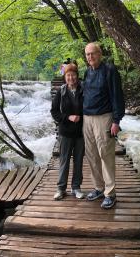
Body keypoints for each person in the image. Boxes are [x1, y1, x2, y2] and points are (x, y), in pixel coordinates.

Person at [83, 42, 125, 209]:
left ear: (100, 54)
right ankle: (99, 188)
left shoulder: (110, 70)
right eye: (87, 54)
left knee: (105, 155)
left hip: (104, 117)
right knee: (92, 155)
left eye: (93, 53)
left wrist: (116, 121)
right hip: (87, 118)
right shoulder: (87, 72)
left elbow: (117, 96)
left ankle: (110, 193)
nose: (90, 57)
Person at [51, 63, 85, 200]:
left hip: (81, 132)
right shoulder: (61, 91)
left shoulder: (83, 90)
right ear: (65, 77)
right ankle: (61, 188)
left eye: (73, 75)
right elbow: (54, 112)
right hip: (65, 133)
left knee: (78, 161)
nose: (71, 77)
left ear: (77, 76)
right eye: (68, 75)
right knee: (64, 160)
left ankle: (76, 187)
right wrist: (68, 117)